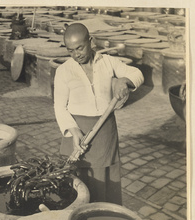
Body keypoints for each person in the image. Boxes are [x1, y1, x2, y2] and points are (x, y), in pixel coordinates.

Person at [54, 23, 144, 205]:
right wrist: (73, 130)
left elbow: (137, 74)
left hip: (104, 134)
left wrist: (124, 81)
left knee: (104, 188)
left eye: (79, 48)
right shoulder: (63, 71)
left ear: (91, 41)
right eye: (70, 50)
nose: (76, 54)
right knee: (78, 189)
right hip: (78, 135)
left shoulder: (108, 62)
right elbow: (59, 106)